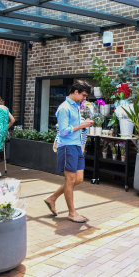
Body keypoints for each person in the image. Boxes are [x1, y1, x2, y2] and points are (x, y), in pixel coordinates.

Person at [44, 81, 94, 223]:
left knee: (78, 179)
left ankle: (52, 198)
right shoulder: (64, 108)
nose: (85, 98)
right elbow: (64, 131)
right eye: (83, 95)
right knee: (70, 180)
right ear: (76, 91)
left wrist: (83, 125)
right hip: (67, 147)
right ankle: (72, 213)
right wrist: (82, 125)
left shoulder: (76, 107)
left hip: (76, 146)